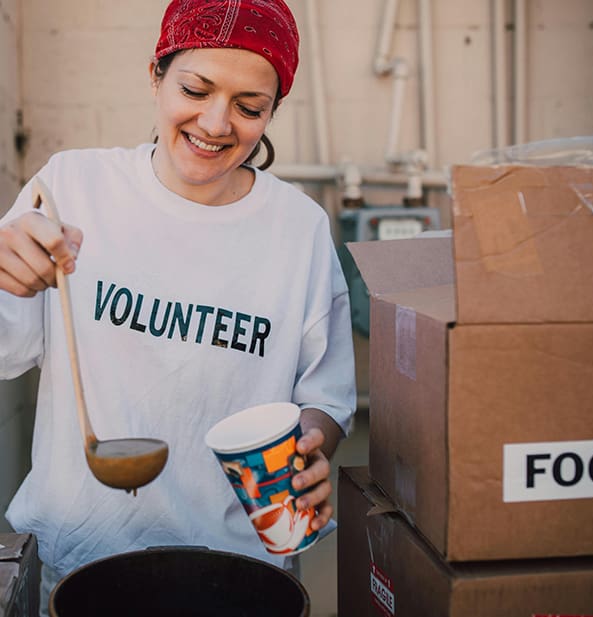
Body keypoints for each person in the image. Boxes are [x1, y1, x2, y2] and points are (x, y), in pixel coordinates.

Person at [0, 0, 356, 613]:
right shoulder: (72, 187)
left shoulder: (298, 227)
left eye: (250, 108)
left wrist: (310, 447)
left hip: (239, 572)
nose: (217, 124)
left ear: (272, 112)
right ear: (155, 76)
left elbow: (326, 397)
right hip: (77, 564)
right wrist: (5, 275)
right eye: (195, 88)